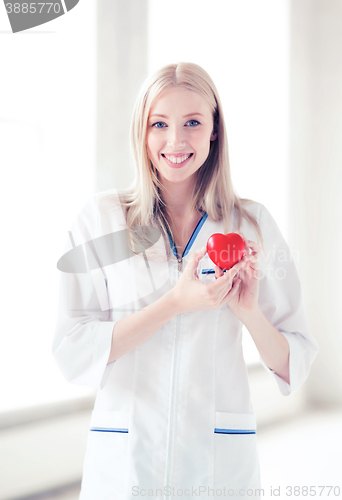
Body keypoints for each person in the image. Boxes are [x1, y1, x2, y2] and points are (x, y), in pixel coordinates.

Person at [52, 62, 319, 500]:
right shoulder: (102, 221)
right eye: (160, 123)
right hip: (125, 459)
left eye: (192, 122)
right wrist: (175, 302)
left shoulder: (251, 224)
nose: (175, 141)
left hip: (215, 463)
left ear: (215, 130)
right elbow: (72, 346)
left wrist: (248, 312)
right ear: (143, 130)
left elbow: (295, 361)